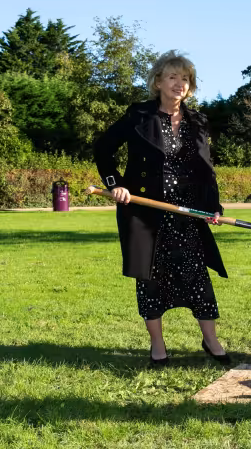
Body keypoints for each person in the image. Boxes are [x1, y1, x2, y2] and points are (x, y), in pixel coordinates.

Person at [94, 50, 230, 366]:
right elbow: (104, 148)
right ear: (158, 82)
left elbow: (205, 169)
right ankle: (158, 345)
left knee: (196, 275)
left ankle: (211, 340)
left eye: (185, 78)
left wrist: (213, 206)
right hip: (145, 213)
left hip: (186, 215)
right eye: (172, 77)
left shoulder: (197, 121)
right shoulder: (139, 115)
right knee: (151, 278)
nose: (179, 83)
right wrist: (116, 184)